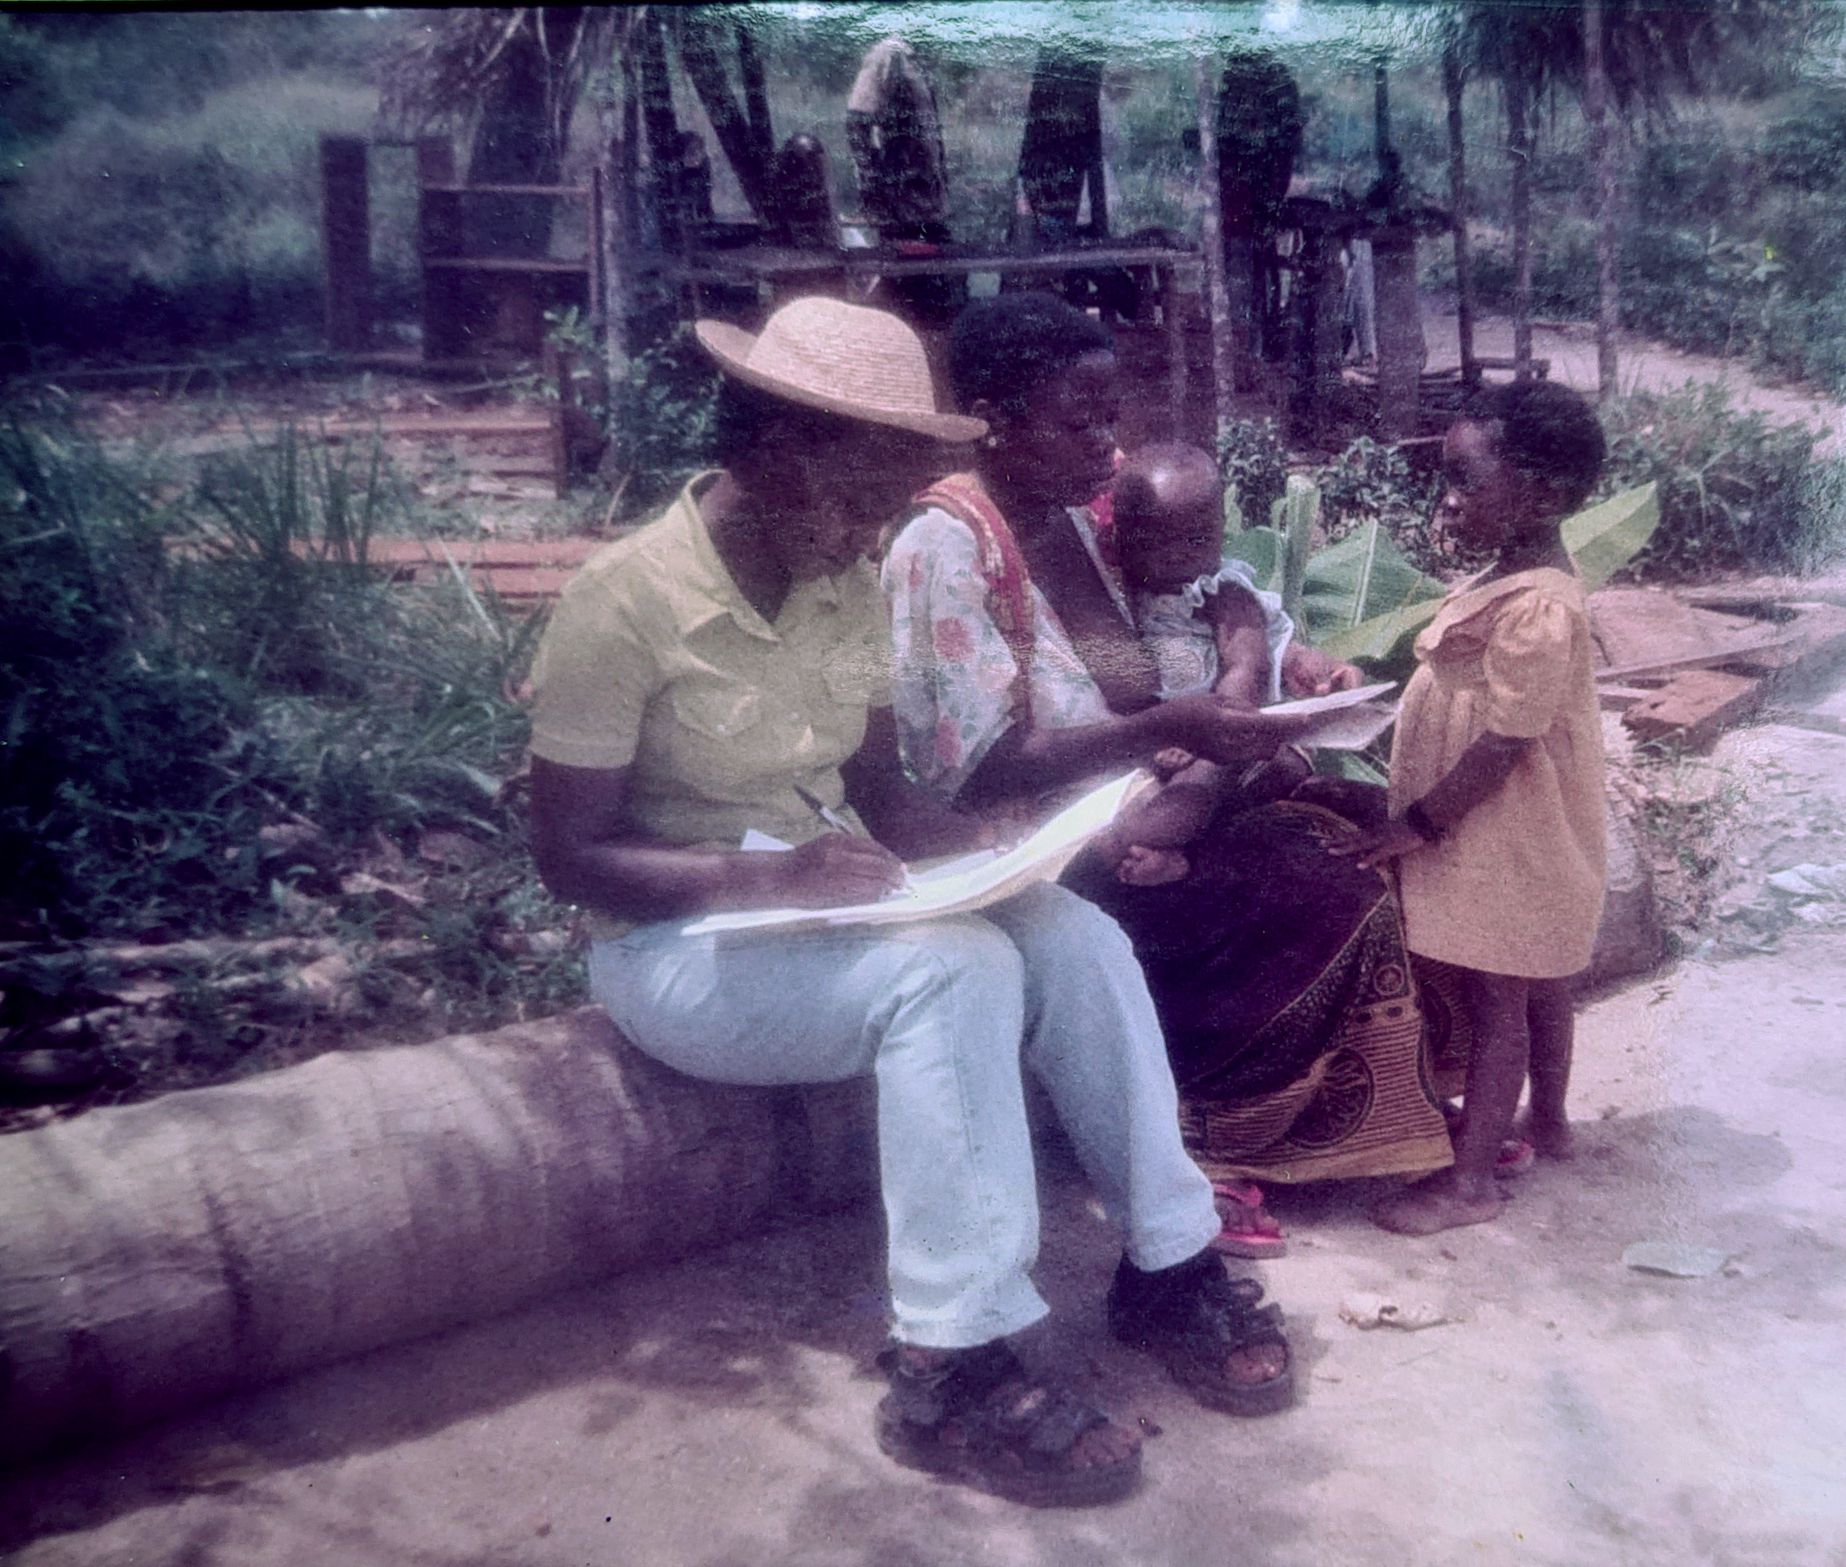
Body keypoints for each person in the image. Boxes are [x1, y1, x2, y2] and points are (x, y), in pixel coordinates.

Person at [525, 295, 1295, 1510]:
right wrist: (761, 874)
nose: (869, 531)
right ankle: (951, 1360)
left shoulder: (835, 587)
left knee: (1071, 934)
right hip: (680, 944)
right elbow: (569, 857)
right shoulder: (620, 603)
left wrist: (1016, 859)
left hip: (830, 910)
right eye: (859, 496)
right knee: (955, 970)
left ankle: (1169, 1260)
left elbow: (884, 793)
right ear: (779, 448)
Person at [883, 293, 1458, 1256]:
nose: (1106, 445)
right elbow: (977, 772)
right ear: (991, 417)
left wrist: (1287, 660)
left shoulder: (1082, 517)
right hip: (1043, 845)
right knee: (1325, 886)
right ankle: (1214, 1135)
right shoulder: (943, 547)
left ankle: (1399, 1108)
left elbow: (1180, 612)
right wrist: (1174, 728)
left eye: (1109, 418)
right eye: (1078, 422)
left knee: (1370, 822)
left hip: (1159, 782)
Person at [1341, 380, 1609, 1236]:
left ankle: (1471, 1184)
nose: (1448, 498)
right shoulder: (1515, 577)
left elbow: (1503, 742)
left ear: (1543, 496)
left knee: (1502, 996)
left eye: (1466, 480)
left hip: (1501, 826)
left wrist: (1418, 824)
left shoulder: (1540, 607)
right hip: (1514, 828)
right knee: (1539, 980)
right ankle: (1550, 1122)